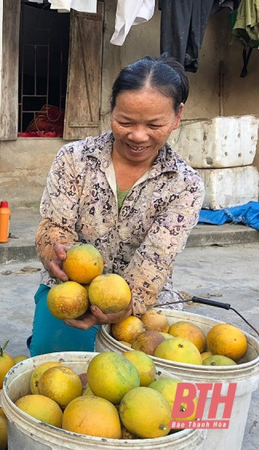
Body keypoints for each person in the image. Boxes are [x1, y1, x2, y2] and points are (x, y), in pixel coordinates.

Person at [28, 55, 205, 356]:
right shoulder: (74, 159)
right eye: (125, 122)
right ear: (111, 108)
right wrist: (56, 252)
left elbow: (157, 259)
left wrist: (126, 305)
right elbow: (53, 226)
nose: (137, 136)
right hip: (71, 289)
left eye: (154, 124)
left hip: (142, 296)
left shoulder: (185, 184)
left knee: (146, 380)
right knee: (54, 368)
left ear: (177, 117)